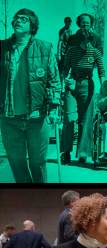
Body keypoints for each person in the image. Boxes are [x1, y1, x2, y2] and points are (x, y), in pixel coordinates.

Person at [1, 8, 61, 183]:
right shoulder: (2, 48)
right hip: (9, 118)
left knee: (38, 162)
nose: (18, 20)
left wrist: (54, 108)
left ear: (32, 25)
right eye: (16, 18)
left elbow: (54, 81)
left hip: (37, 117)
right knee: (17, 163)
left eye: (24, 19)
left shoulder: (45, 48)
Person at [60, 13, 106, 164]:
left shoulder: (96, 40)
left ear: (91, 24)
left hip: (87, 82)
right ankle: (66, 151)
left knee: (85, 119)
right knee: (69, 117)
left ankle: (83, 153)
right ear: (79, 24)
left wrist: (102, 86)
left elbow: (100, 64)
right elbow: (65, 64)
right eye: (83, 22)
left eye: (88, 22)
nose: (85, 24)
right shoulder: (72, 39)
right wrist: (63, 83)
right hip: (72, 82)